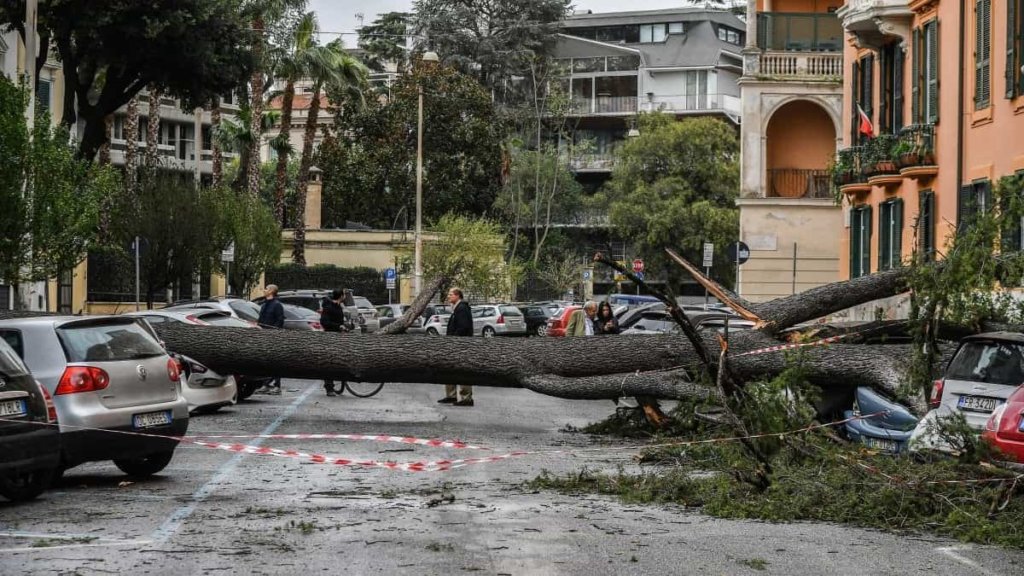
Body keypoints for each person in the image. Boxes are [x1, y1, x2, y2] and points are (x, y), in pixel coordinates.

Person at [438, 287, 475, 406]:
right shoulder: (457, 308)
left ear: (457, 295)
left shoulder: (462, 308)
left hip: (461, 345)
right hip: (454, 345)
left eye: (450, 294)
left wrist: (453, 340)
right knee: (450, 369)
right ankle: (451, 396)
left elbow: (463, 328)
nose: (448, 296)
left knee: (462, 371)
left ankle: (466, 398)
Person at [255, 284, 285, 395]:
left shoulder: (277, 305)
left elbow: (280, 320)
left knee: (274, 362)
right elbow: (261, 320)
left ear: (272, 291)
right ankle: (265, 385)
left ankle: (277, 386)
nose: (264, 290)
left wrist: (273, 333)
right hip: (263, 337)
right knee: (265, 362)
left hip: (273, 337)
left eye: (266, 288)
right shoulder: (264, 305)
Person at [319, 289, 349, 397]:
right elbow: (324, 322)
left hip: (337, 337)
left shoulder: (338, 307)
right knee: (329, 363)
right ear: (341, 296)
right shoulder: (329, 307)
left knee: (337, 361)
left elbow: (339, 321)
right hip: (330, 338)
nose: (345, 296)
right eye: (344, 294)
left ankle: (338, 385)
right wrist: (338, 326)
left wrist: (344, 327)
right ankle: (329, 387)